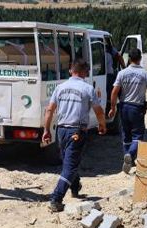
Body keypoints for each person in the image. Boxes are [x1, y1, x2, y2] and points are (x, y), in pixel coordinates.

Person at [42, 59, 107, 213]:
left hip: (61, 131)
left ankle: (75, 186)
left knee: (68, 160)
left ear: (71, 70)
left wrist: (46, 130)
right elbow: (98, 110)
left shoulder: (60, 87)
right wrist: (102, 124)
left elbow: (50, 110)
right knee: (69, 166)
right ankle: (56, 198)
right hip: (76, 131)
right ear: (85, 72)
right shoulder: (87, 88)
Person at [109, 48, 147, 174]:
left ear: (129, 59)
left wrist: (113, 107)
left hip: (124, 107)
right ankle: (130, 155)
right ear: (140, 58)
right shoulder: (145, 74)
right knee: (138, 135)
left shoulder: (122, 73)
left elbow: (114, 92)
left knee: (126, 134)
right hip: (137, 108)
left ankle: (128, 160)